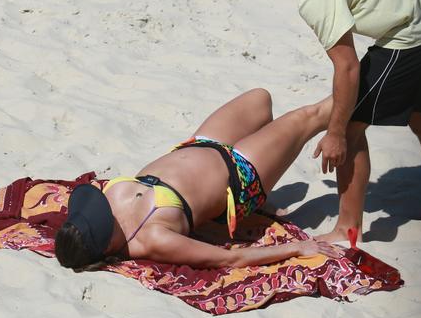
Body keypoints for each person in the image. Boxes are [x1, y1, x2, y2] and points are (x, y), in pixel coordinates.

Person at [226, 0, 421, 243]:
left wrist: (335, 133)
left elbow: (347, 66)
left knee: (350, 127)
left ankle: (346, 230)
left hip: (409, 35)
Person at [54, 88, 341, 270]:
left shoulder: (99, 213)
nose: (103, 211)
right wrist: (297, 247)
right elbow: (229, 260)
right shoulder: (151, 239)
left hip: (201, 143)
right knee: (310, 116)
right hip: (240, 177)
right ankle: (372, 81)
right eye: (101, 220)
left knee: (260, 99)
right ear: (105, 247)